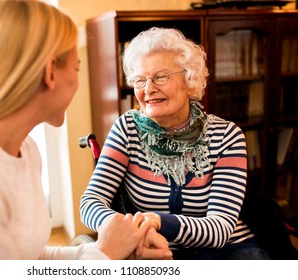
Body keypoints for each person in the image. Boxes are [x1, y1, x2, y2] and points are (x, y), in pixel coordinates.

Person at [0, 0, 172, 260]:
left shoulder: (25, 150)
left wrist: (114, 248)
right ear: (51, 73)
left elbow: (29, 259)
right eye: (77, 68)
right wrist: (106, 255)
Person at [80, 27, 271, 260]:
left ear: (190, 79)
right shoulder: (127, 128)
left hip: (228, 249)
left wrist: (158, 221)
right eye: (140, 80)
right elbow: (90, 202)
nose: (148, 89)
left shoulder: (227, 136)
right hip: (153, 248)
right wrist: (127, 229)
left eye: (160, 76)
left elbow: (220, 229)